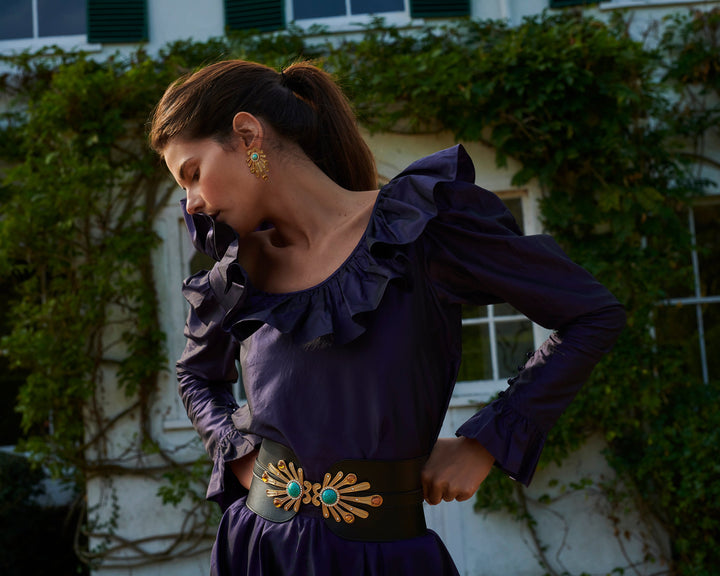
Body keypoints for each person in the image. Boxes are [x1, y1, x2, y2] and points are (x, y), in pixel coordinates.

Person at [149, 60, 625, 576]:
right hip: (258, 552)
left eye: (192, 174)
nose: (191, 204)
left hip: (383, 558)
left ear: (247, 135)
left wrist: (486, 441)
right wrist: (236, 450)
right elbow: (196, 374)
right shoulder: (238, 272)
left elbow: (591, 313)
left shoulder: (419, 230)